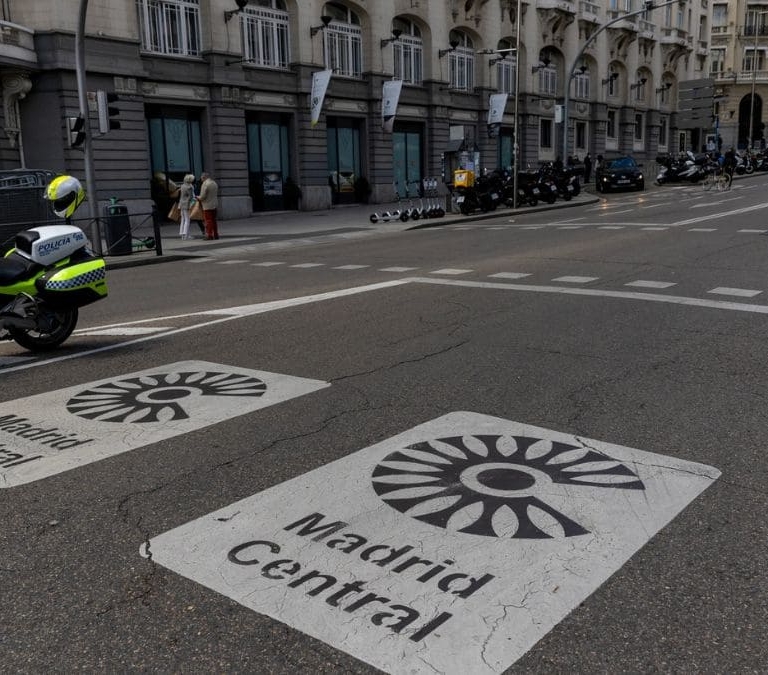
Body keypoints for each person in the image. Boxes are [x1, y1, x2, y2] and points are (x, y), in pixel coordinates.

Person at [198, 171, 219, 240]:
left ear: (204, 177)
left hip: (207, 205)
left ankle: (209, 235)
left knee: (208, 221)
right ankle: (216, 234)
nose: (201, 179)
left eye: (201, 178)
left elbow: (203, 196)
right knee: (214, 220)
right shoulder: (214, 183)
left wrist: (198, 197)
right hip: (214, 204)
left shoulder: (205, 184)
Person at [178, 174, 195, 239]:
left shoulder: (182, 186)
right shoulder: (190, 187)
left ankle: (182, 234)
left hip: (181, 203)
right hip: (186, 203)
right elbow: (190, 197)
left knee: (183, 219)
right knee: (187, 219)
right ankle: (186, 234)